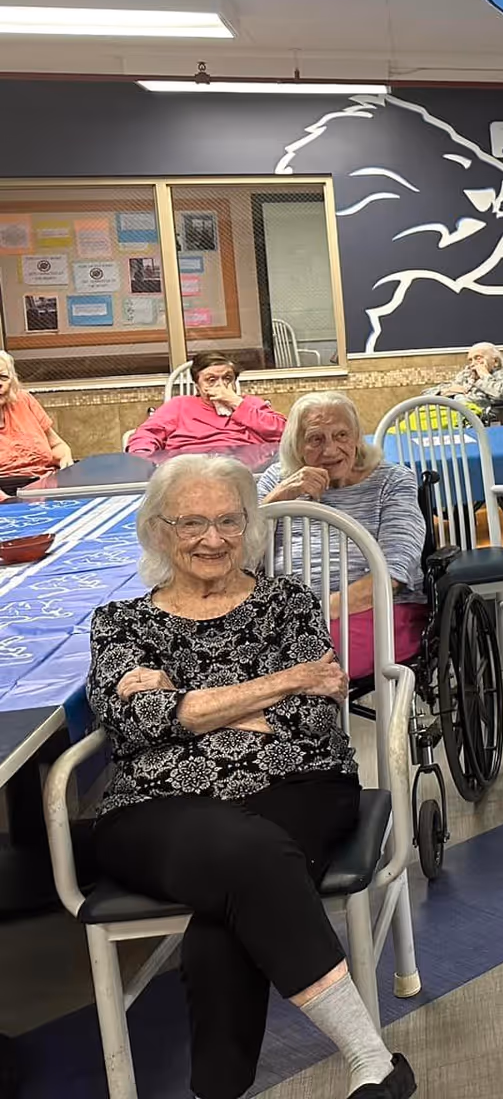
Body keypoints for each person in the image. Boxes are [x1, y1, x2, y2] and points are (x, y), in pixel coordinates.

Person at [84, 454, 414, 1099]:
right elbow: (131, 723)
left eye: (230, 521)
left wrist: (185, 705)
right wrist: (277, 685)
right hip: (154, 809)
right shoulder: (121, 622)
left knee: (234, 889)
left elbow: (308, 720)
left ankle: (226, 1091)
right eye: (191, 523)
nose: (213, 539)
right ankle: (371, 1059)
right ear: (157, 530)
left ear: (250, 525)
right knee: (245, 861)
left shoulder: (288, 603)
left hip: (296, 787)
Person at [258, 392, 430, 678]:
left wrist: (313, 612)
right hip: (281, 612)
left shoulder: (391, 481)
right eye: (315, 439)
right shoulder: (277, 480)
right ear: (296, 444)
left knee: (296, 664)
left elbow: (395, 570)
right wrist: (278, 499)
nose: (330, 450)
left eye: (341, 435)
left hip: (373, 609)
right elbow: (238, 557)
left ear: (357, 438)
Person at [127, 351, 286, 458]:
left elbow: (286, 433)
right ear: (197, 384)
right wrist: (144, 459)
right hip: (189, 470)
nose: (220, 385)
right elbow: (145, 436)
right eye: (211, 380)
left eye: (227, 378)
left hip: (243, 472)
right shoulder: (179, 406)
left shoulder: (250, 404)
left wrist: (236, 403)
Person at [0, 349, 72, 483]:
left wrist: (65, 458)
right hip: (7, 492)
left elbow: (57, 447)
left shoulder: (23, 400)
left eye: (3, 377)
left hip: (45, 485)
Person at [427, 341, 503, 407]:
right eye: (470, 360)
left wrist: (484, 376)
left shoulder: (502, 374)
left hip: (482, 418)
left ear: (495, 361)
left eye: (478, 358)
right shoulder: (466, 375)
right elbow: (426, 394)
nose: (473, 363)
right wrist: (444, 392)